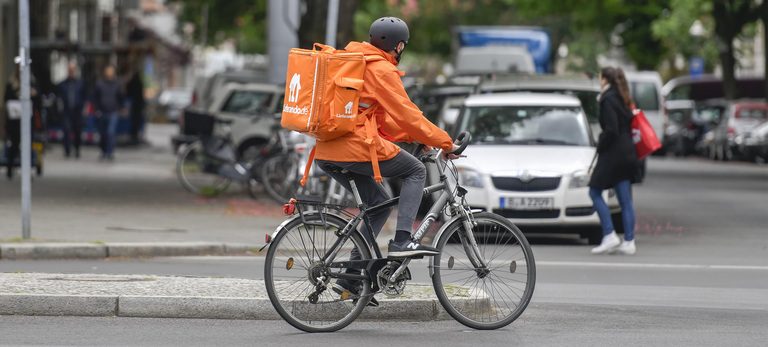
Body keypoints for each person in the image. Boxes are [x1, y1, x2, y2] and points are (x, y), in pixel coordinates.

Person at [314, 17, 460, 301]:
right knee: (416, 171)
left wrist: (419, 138)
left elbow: (382, 121)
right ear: (399, 45)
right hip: (351, 147)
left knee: (379, 204)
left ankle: (352, 278)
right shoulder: (381, 69)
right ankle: (403, 240)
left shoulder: (359, 61)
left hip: (327, 149)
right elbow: (408, 113)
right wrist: (444, 142)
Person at [589, 67, 640, 255]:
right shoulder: (623, 97)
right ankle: (629, 241)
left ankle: (609, 235)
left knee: (594, 191)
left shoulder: (608, 99)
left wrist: (600, 144)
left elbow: (611, 129)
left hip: (614, 154)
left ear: (604, 80)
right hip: (627, 153)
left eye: (599, 76)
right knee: (625, 200)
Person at [3, 68, 38, 179]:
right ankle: (10, 168)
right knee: (14, 144)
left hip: (28, 118)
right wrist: (17, 94)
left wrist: (33, 94)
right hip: (15, 120)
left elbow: (38, 101)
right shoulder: (11, 85)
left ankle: (27, 170)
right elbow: (6, 99)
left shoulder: (32, 83)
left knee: (27, 145)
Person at [93, 65, 123, 160]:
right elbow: (96, 98)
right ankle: (103, 151)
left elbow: (120, 97)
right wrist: (96, 109)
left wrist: (121, 107)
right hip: (102, 112)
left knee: (111, 133)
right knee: (102, 134)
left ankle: (109, 153)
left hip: (113, 111)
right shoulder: (100, 84)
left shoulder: (116, 84)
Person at [57, 62, 86, 158]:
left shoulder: (80, 83)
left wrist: (83, 107)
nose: (71, 72)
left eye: (72, 70)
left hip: (77, 111)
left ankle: (77, 149)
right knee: (66, 130)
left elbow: (84, 96)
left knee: (77, 131)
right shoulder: (62, 84)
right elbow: (59, 97)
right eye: (69, 70)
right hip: (66, 111)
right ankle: (67, 151)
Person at [126, 71, 145, 145]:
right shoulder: (139, 84)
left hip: (134, 105)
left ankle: (133, 135)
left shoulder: (131, 84)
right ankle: (134, 136)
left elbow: (128, 93)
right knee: (137, 121)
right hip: (138, 105)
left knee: (134, 121)